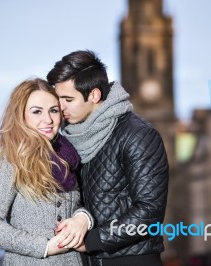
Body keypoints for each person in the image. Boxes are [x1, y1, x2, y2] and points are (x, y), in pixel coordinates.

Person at [47, 50, 169, 266]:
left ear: (94, 95)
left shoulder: (137, 135)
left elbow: (150, 212)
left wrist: (93, 240)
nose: (60, 107)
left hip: (131, 259)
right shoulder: (67, 141)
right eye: (58, 99)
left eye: (68, 99)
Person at [0, 78, 93, 265]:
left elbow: (77, 205)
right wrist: (43, 247)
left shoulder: (69, 155)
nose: (48, 119)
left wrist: (82, 219)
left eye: (53, 110)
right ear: (20, 116)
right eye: (37, 111)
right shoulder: (9, 159)